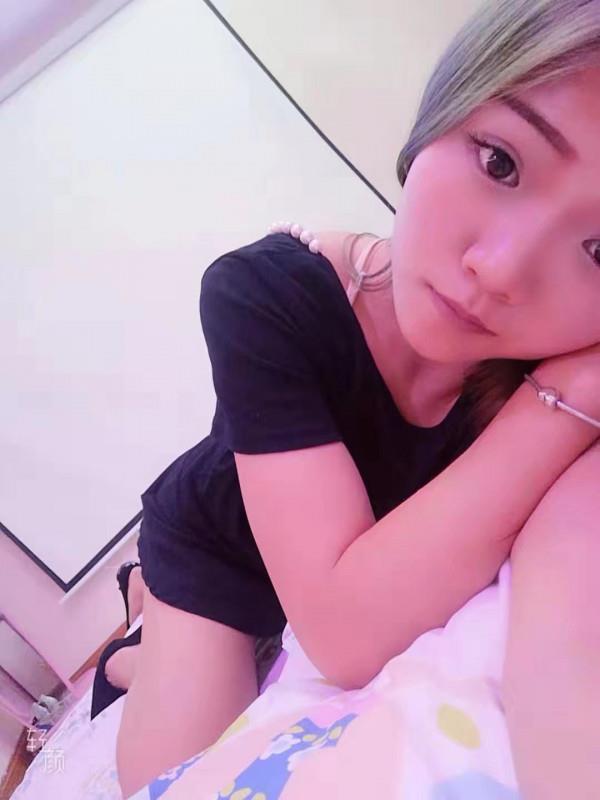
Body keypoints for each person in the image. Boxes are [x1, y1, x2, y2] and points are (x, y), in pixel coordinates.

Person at [106, 0, 600, 795]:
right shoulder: (265, 294)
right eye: (501, 162)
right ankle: (143, 613)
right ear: (438, 116)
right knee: (163, 779)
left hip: (358, 549)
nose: (501, 269)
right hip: (226, 548)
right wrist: (566, 394)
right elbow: (342, 634)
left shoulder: (563, 355)